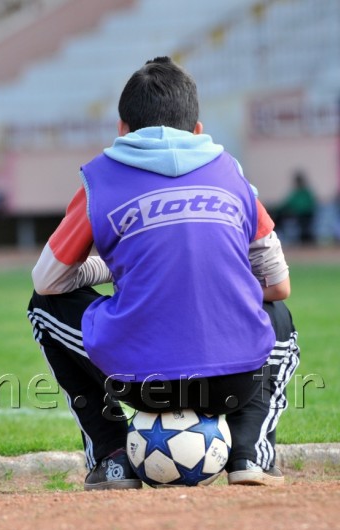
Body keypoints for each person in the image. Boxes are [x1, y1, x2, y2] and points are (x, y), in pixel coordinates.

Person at [26, 57, 299, 490]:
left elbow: (48, 282)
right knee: (277, 314)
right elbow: (278, 283)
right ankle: (251, 454)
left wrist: (116, 271)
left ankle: (114, 456)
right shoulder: (233, 176)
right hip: (233, 382)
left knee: (43, 309)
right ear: (197, 130)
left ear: (121, 129)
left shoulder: (99, 182)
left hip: (137, 381)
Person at [273, 170, 317, 244]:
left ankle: (305, 240)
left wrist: (295, 210)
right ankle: (279, 236)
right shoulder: (295, 193)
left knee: (303, 223)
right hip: (295, 214)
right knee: (278, 217)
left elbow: (308, 206)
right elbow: (287, 203)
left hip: (305, 215)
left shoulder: (306, 193)